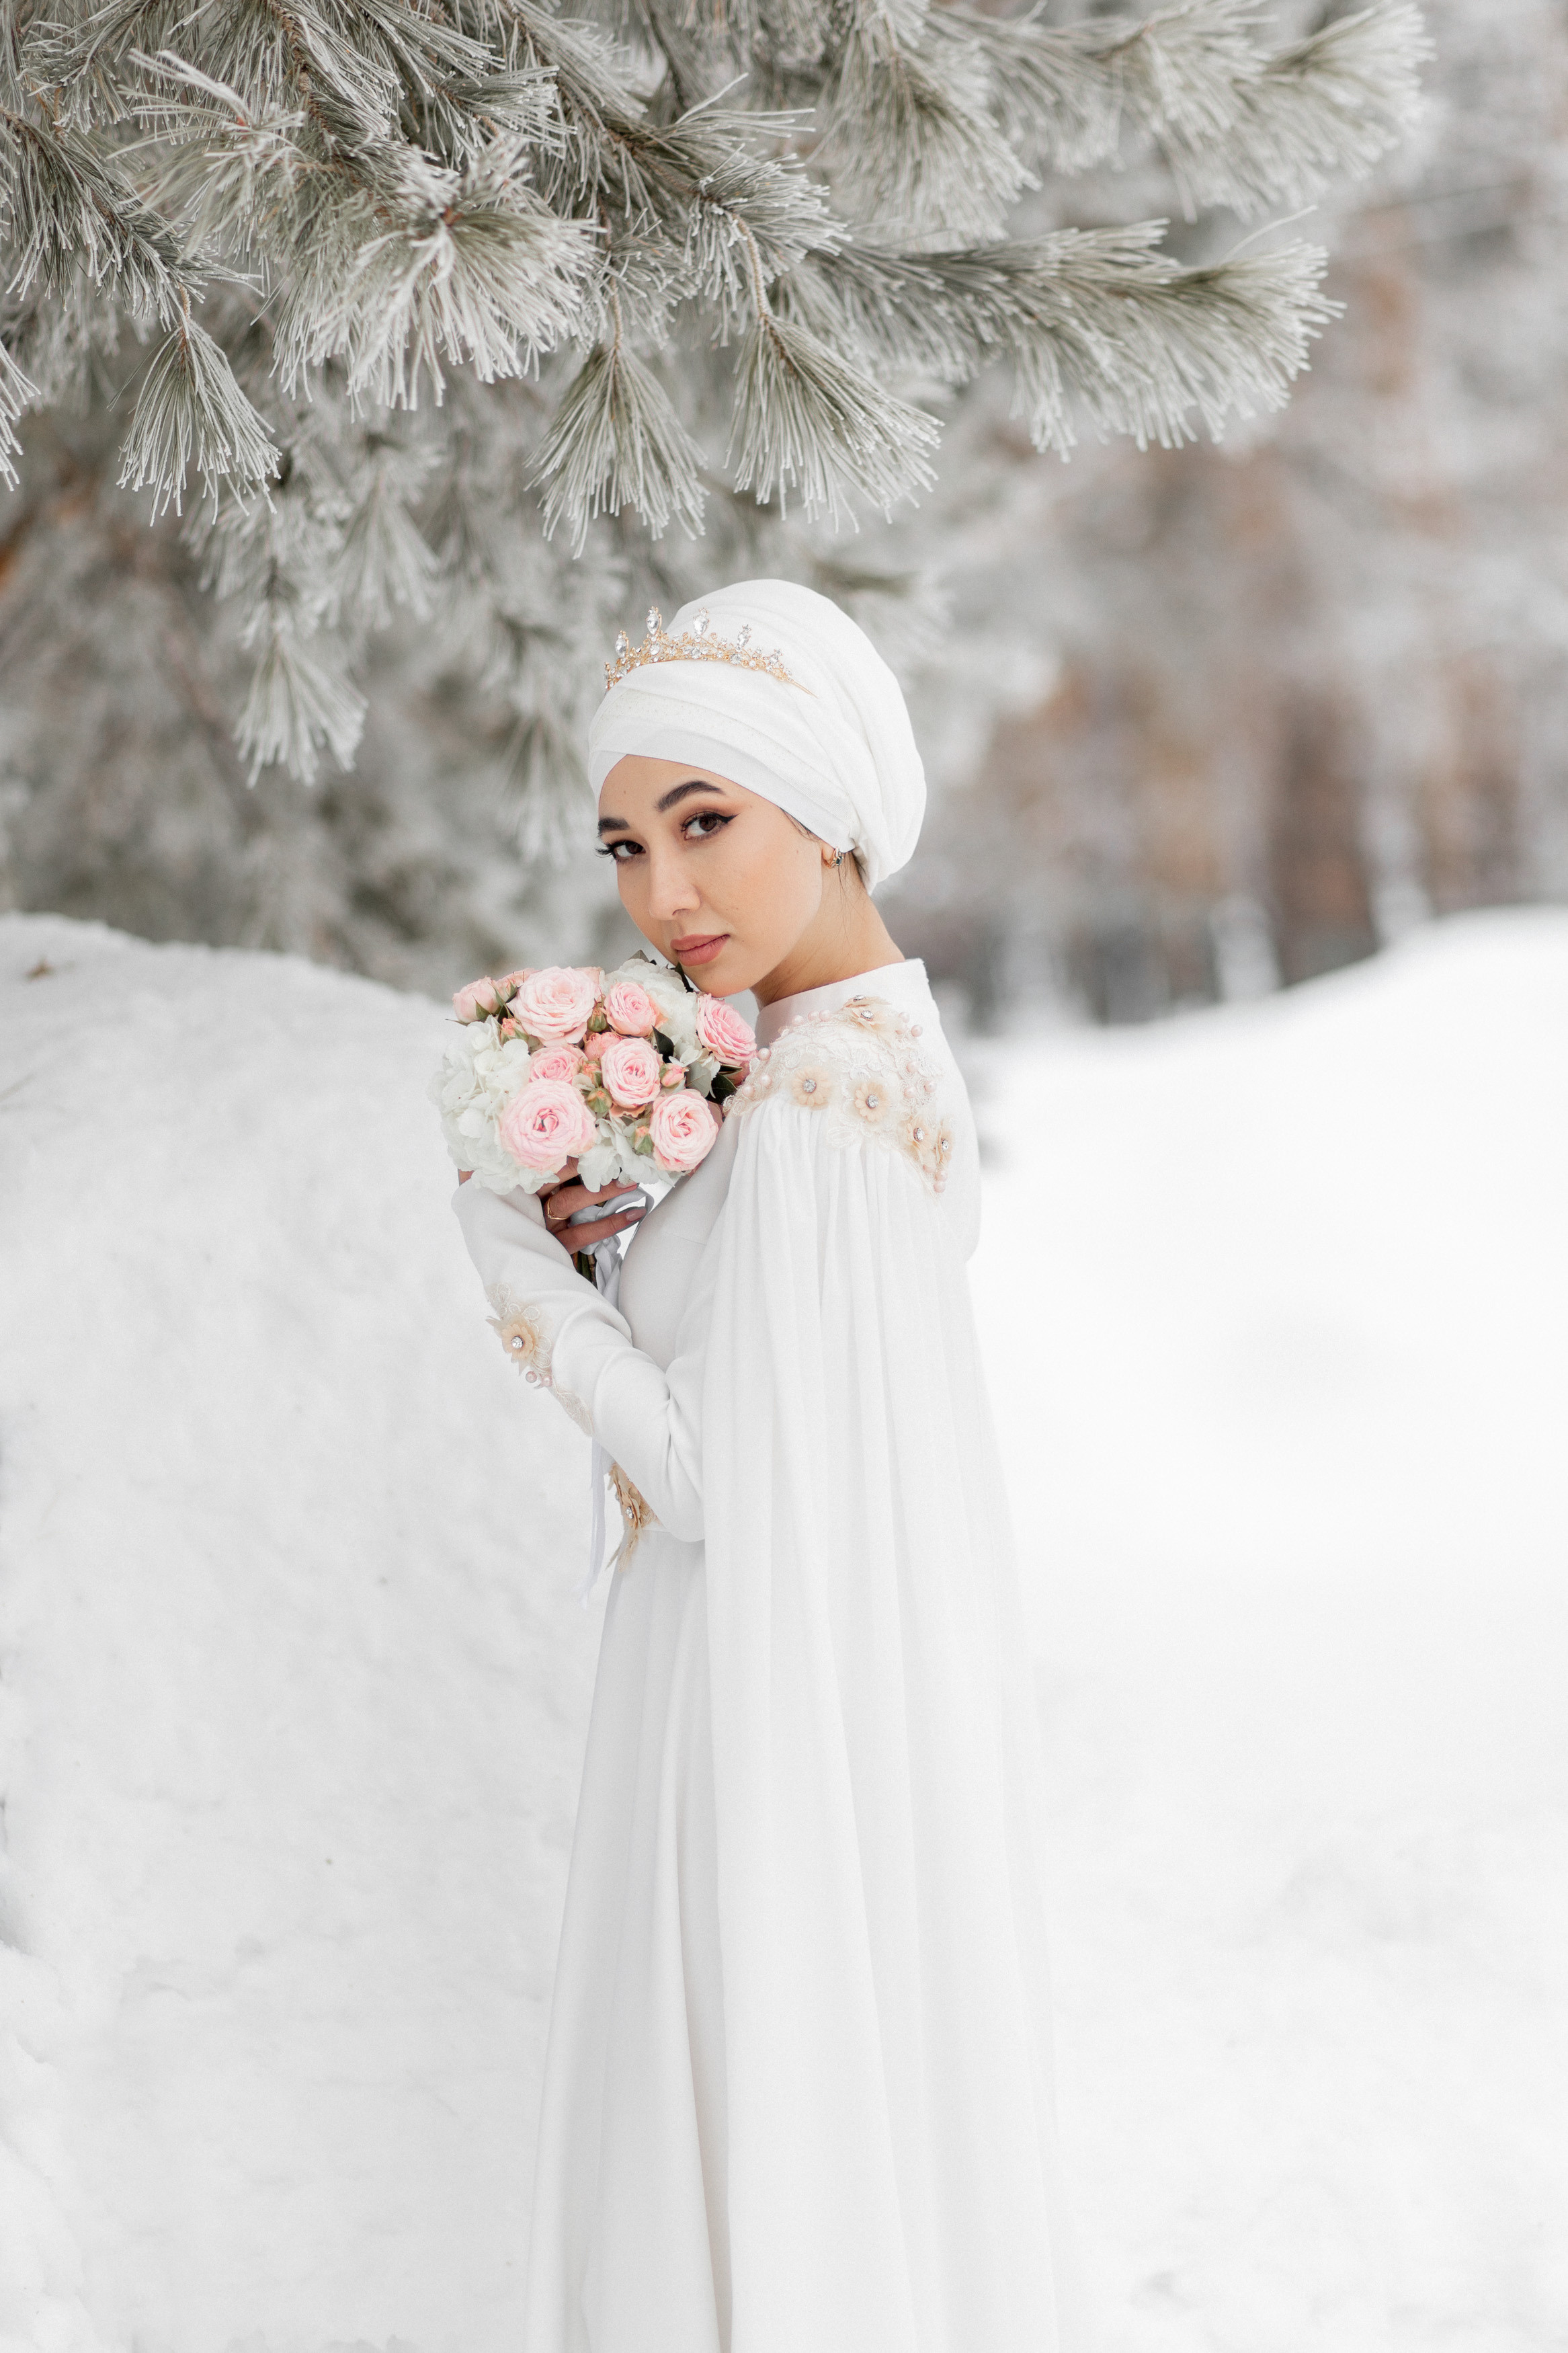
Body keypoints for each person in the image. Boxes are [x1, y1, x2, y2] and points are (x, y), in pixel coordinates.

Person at [451, 580, 1087, 2352]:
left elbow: (721, 1471)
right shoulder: (854, 1055)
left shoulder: (810, 1112)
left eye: (707, 821)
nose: (664, 894)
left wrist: (520, 1276)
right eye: (625, 844)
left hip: (753, 1717)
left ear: (825, 804)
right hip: (828, 1694)